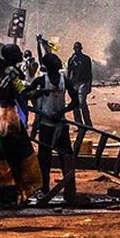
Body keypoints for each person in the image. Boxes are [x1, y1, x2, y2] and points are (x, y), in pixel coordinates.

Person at [0, 44, 42, 206]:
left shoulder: (4, 73)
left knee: (10, 157)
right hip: (8, 119)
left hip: (5, 118)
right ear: (12, 55)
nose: (21, 54)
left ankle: (11, 194)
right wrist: (36, 93)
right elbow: (20, 92)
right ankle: (11, 195)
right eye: (18, 52)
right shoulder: (9, 74)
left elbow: (20, 91)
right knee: (14, 157)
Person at [25, 53, 78, 194]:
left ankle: (70, 190)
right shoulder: (41, 81)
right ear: (48, 65)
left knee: (66, 158)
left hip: (61, 124)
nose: (59, 61)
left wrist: (62, 112)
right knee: (44, 159)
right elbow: (25, 95)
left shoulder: (65, 81)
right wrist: (38, 93)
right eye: (55, 59)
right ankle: (44, 189)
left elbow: (75, 101)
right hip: (45, 125)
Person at [67, 42, 93, 130]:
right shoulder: (71, 60)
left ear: (81, 49)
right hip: (74, 84)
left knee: (82, 103)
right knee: (75, 105)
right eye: (76, 49)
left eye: (78, 48)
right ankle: (79, 125)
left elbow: (90, 73)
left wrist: (89, 85)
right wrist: (68, 85)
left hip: (83, 83)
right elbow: (69, 73)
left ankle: (88, 124)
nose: (77, 50)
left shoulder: (86, 59)